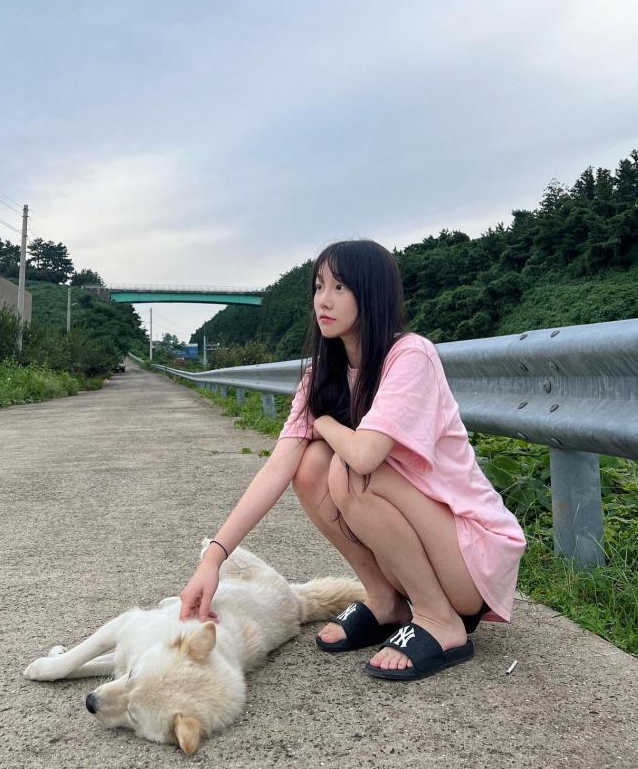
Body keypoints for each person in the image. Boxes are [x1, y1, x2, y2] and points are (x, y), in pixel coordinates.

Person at [179, 239, 526, 681]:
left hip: (470, 553)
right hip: (425, 552)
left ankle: (440, 620)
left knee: (349, 469)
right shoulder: (320, 375)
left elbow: (364, 455)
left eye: (340, 287)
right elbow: (277, 469)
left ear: (372, 293)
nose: (323, 300)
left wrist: (322, 421)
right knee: (310, 468)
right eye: (319, 286)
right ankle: (386, 601)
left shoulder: (410, 354)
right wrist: (213, 559)